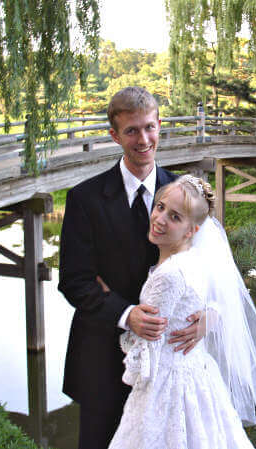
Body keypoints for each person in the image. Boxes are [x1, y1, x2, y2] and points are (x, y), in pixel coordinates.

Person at [58, 87, 201, 449]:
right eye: (132, 131)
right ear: (114, 135)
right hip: (102, 358)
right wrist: (126, 315)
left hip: (169, 360)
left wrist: (208, 319)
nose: (144, 139)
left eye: (150, 127)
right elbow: (74, 280)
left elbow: (208, 272)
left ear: (159, 126)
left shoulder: (186, 194)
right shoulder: (84, 198)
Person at [108, 175, 256, 449]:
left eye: (175, 217)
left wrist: (133, 360)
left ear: (191, 231)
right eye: (160, 207)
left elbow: (147, 348)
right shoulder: (195, 260)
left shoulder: (169, 275)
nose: (160, 219)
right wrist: (211, 312)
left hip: (168, 384)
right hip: (197, 372)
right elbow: (210, 297)